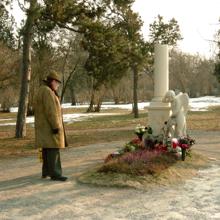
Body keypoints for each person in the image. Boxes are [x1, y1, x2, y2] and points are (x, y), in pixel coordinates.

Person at [34, 71, 68, 181]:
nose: (58, 86)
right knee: (53, 150)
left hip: (43, 127)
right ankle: (56, 174)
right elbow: (51, 111)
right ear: (53, 81)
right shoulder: (48, 92)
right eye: (57, 83)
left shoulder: (41, 90)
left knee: (46, 150)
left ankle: (46, 172)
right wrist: (55, 126)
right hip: (49, 127)